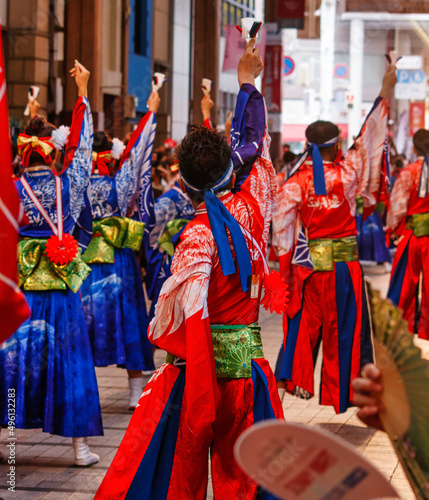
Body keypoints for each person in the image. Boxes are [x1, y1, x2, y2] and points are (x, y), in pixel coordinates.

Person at [95, 38, 283, 500]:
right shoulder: (256, 202)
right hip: (249, 371)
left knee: (180, 479)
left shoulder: (195, 236)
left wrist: (193, 371)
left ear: (183, 181)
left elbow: (183, 319)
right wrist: (247, 85)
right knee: (249, 480)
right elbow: (256, 149)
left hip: (197, 376)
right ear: (231, 170)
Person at [272, 63, 397, 413]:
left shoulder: (295, 183)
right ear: (337, 144)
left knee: (300, 330)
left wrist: (286, 272)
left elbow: (281, 232)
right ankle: (346, 394)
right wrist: (385, 89)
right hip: (346, 270)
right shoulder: (350, 170)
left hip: (310, 272)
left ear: (308, 145)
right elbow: (369, 138)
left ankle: (287, 390)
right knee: (347, 332)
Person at [0, 61, 103, 466]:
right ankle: (79, 449)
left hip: (20, 287)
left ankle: (7, 440)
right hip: (60, 290)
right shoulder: (71, 183)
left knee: (11, 357)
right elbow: (84, 150)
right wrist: (82, 93)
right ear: (54, 149)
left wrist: (29, 119)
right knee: (69, 361)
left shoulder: (11, 188)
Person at [80, 93, 160, 410]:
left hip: (87, 259)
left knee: (88, 323)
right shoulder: (121, 180)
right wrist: (150, 111)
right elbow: (138, 151)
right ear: (109, 153)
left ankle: (88, 390)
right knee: (128, 319)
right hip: (120, 262)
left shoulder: (77, 179)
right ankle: (134, 393)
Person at [386, 129, 429, 338]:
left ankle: (404, 327)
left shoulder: (409, 171)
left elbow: (397, 207)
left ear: (414, 147)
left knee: (405, 284)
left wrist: (393, 230)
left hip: (412, 235)